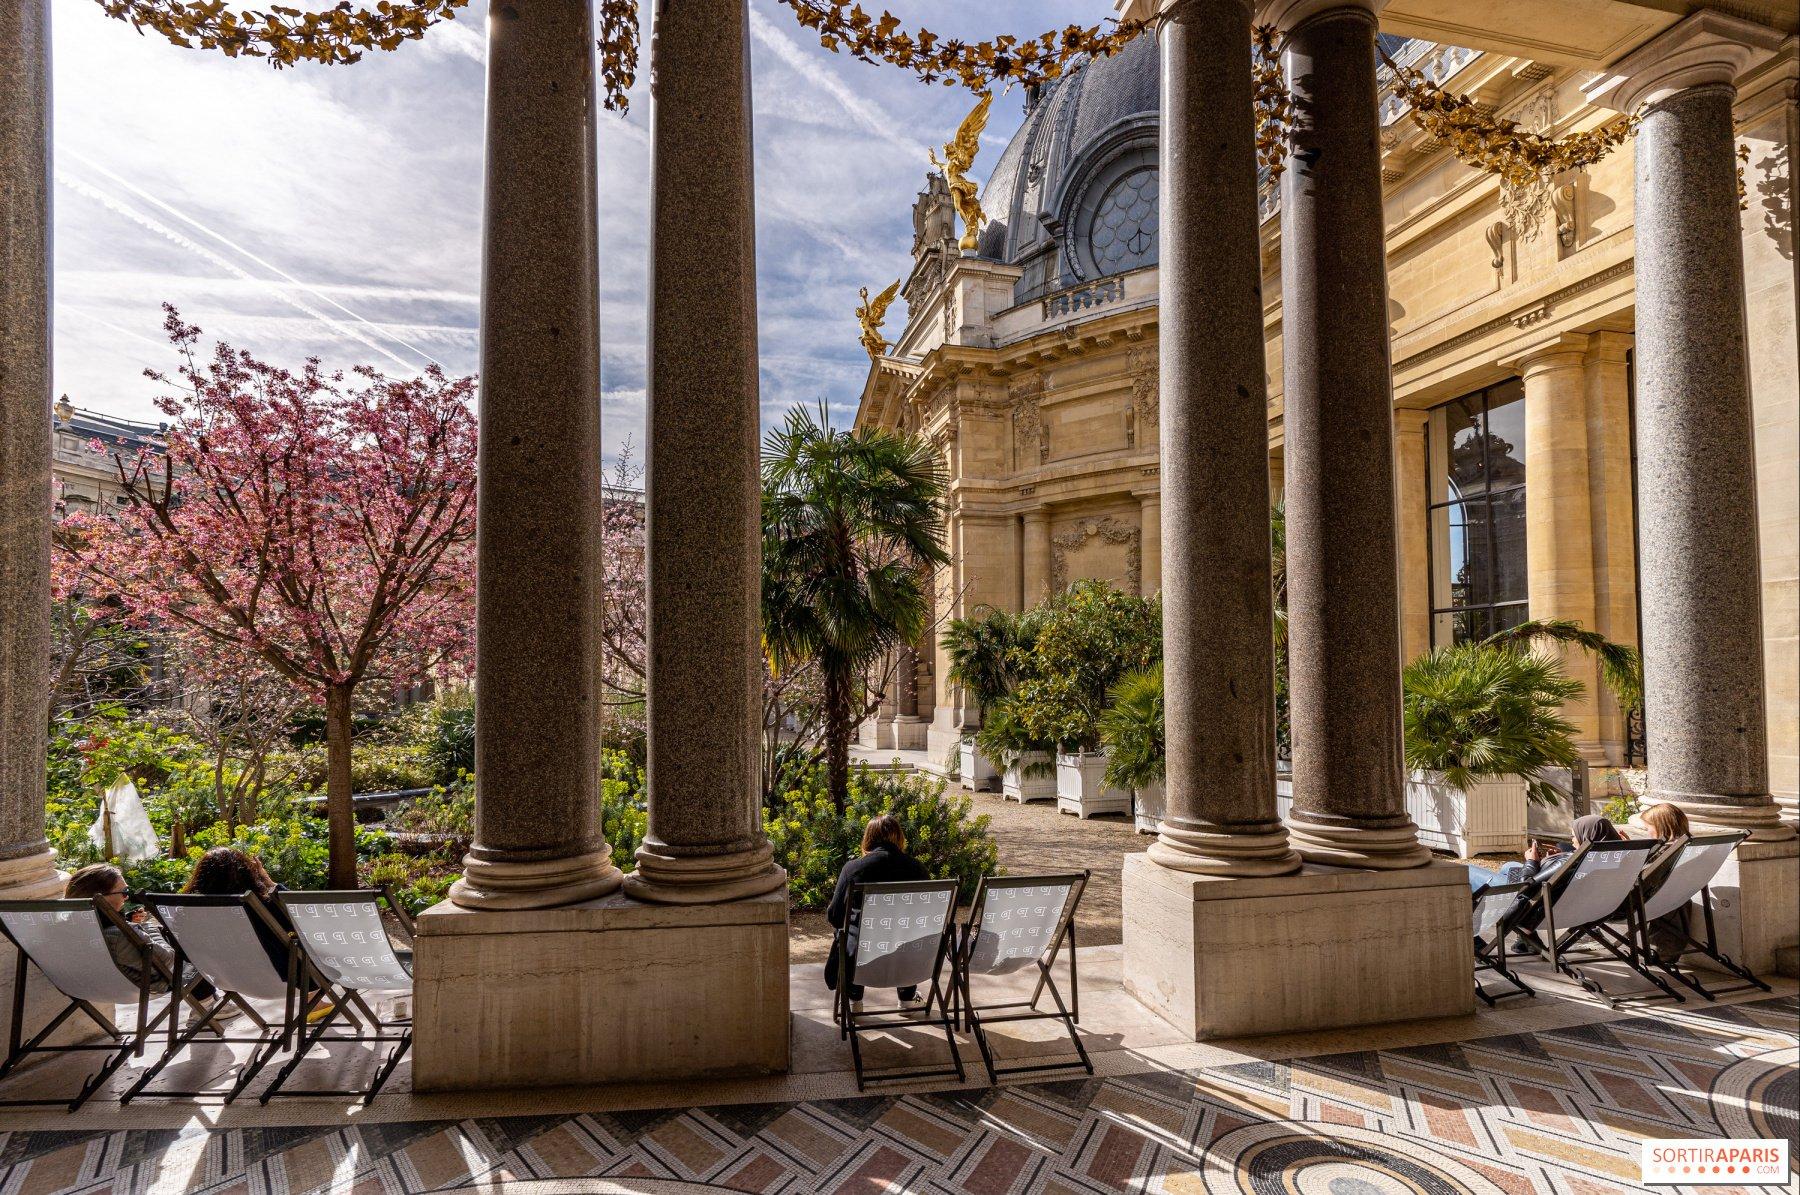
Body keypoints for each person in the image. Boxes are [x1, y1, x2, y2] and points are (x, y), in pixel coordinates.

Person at [824, 814, 929, 1015]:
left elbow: (835, 917)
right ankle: (907, 998)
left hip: (863, 961)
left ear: (868, 838)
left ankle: (854, 999)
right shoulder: (919, 870)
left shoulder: (853, 869)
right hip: (909, 960)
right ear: (899, 837)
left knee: (852, 934)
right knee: (908, 933)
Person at [64, 863, 211, 997]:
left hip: (87, 987)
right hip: (147, 984)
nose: (127, 897)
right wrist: (147, 926)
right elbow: (168, 958)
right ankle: (207, 1004)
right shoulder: (123, 935)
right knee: (194, 950)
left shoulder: (68, 930)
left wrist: (126, 921)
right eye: (124, 892)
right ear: (102, 898)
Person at [182, 846, 292, 979]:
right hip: (279, 979)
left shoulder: (191, 912)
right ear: (246, 873)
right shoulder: (260, 907)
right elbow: (296, 917)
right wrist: (268, 881)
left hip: (228, 979)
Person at [1636, 802, 1693, 964]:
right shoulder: (1687, 847)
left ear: (1662, 827)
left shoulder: (1664, 852)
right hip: (1677, 900)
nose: (1647, 831)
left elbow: (1643, 878)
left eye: (1648, 827)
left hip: (1647, 901)